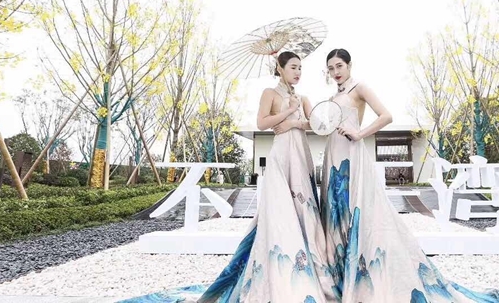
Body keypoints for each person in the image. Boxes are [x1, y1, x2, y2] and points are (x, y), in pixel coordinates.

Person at [319, 48, 499, 303]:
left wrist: (359, 133)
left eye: (339, 66)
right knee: (337, 214)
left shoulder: (360, 88)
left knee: (357, 212)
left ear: (349, 65)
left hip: (352, 154)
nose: (335, 72)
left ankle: (364, 279)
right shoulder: (333, 96)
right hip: (333, 155)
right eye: (331, 68)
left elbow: (387, 116)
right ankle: (342, 279)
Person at [120, 51, 338, 302]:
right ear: (280, 68)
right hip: (281, 155)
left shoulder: (303, 98)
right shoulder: (270, 93)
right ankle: (279, 269)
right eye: (293, 67)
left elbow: (313, 124)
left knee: (304, 208)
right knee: (280, 210)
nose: (298, 72)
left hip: (301, 154)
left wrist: (296, 121)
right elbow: (262, 123)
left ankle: (309, 268)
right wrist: (287, 112)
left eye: (300, 68)